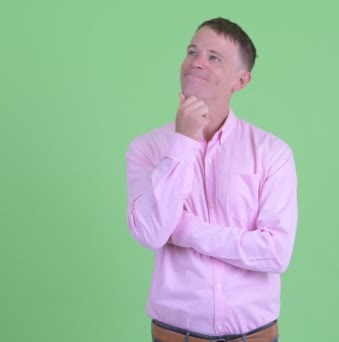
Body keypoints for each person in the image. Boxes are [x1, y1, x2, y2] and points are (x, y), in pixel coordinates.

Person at [125, 17, 298, 342]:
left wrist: (186, 230)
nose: (196, 62)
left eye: (213, 57)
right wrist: (183, 142)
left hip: (257, 336)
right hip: (175, 336)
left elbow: (275, 253)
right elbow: (150, 233)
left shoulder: (272, 152)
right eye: (192, 51)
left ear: (241, 80)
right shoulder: (147, 149)